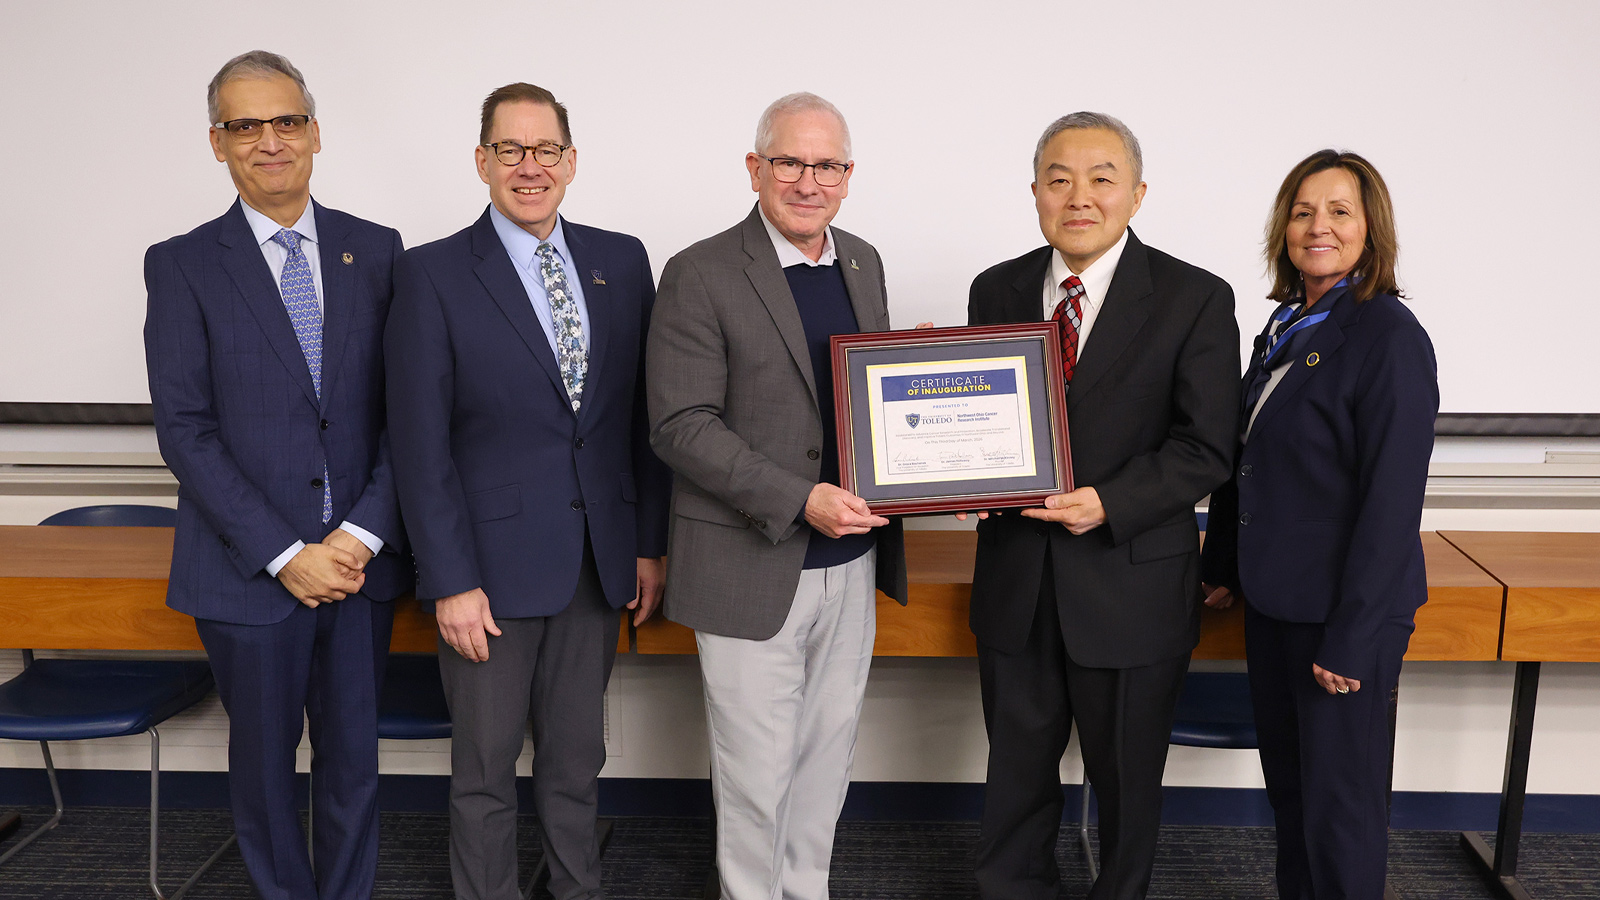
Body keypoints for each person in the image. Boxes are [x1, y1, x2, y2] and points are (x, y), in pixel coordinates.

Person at [385, 82, 670, 900]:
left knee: (579, 763)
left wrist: (647, 544)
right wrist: (449, 579)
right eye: (509, 150)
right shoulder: (432, 273)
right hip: (488, 577)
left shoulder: (622, 260)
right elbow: (419, 442)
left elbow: (640, 419)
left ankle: (577, 890)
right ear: (482, 161)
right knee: (482, 773)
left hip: (598, 564)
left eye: (546, 150)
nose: (529, 167)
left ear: (572, 161)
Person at [143, 50, 408, 900]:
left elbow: (409, 416)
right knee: (262, 774)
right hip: (248, 575)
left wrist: (359, 534)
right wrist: (286, 551)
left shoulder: (379, 252)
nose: (270, 141)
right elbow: (185, 431)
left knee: (352, 767)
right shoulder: (182, 264)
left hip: (359, 567)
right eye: (245, 126)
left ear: (316, 133)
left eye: (286, 121)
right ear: (217, 144)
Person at [964, 112, 1239, 900]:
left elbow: (1207, 447)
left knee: (1125, 789)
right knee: (1015, 783)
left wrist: (1108, 503)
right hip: (1017, 583)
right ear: (1036, 194)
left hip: (1130, 585)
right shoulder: (999, 288)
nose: (1078, 196)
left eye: (1101, 178)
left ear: (1137, 194)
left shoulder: (1194, 297)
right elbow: (985, 420)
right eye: (1058, 179)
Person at [646, 92, 908, 900]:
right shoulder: (702, 271)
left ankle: (808, 890)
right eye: (789, 162)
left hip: (853, 558)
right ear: (755, 168)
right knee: (755, 772)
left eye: (826, 164)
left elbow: (875, 404)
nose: (808, 181)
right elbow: (682, 426)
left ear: (849, 175)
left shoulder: (861, 259)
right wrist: (803, 499)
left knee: (826, 758)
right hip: (748, 560)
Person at [1200, 150, 1437, 900]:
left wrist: (1353, 634)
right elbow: (1254, 462)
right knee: (1296, 802)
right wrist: (1224, 567)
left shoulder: (1388, 336)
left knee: (1341, 817)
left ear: (1372, 229)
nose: (1318, 226)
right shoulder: (1286, 325)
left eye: (1339, 211)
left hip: (1341, 615)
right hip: (1278, 602)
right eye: (1303, 211)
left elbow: (1391, 502)